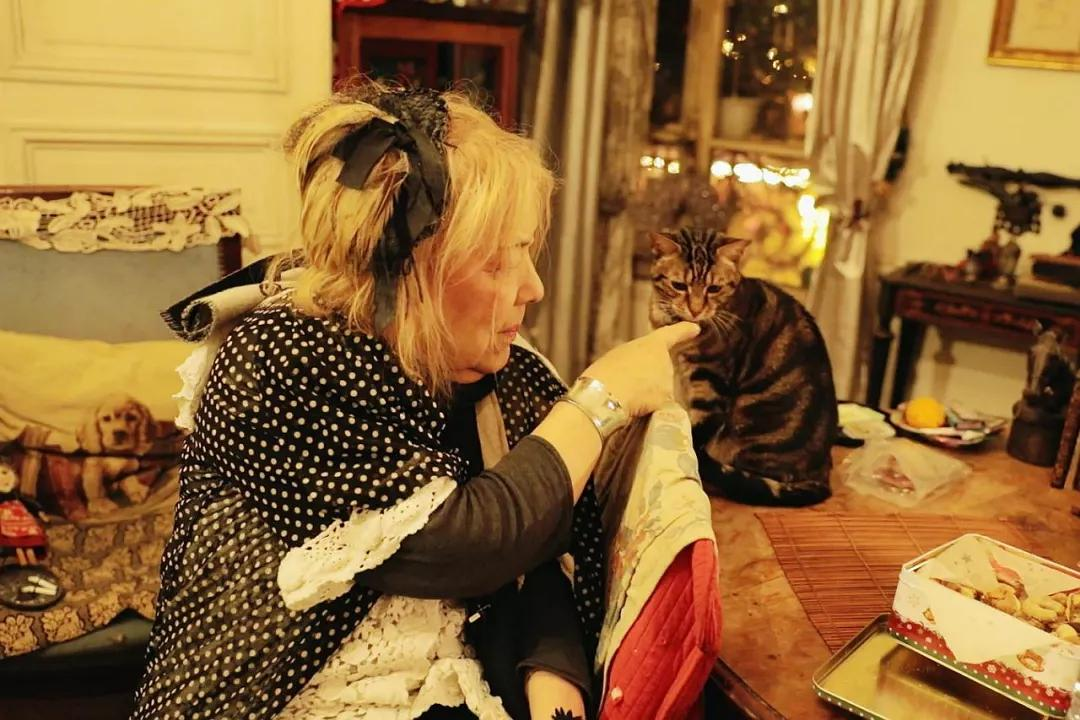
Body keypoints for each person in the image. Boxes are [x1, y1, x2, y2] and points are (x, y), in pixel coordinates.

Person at [132, 80, 698, 720]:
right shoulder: (278, 358)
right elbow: (457, 544)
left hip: (447, 680)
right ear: (408, 270)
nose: (534, 288)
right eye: (498, 263)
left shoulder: (496, 365)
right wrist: (599, 402)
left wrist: (553, 673)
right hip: (281, 695)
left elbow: (540, 540)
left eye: (526, 253)